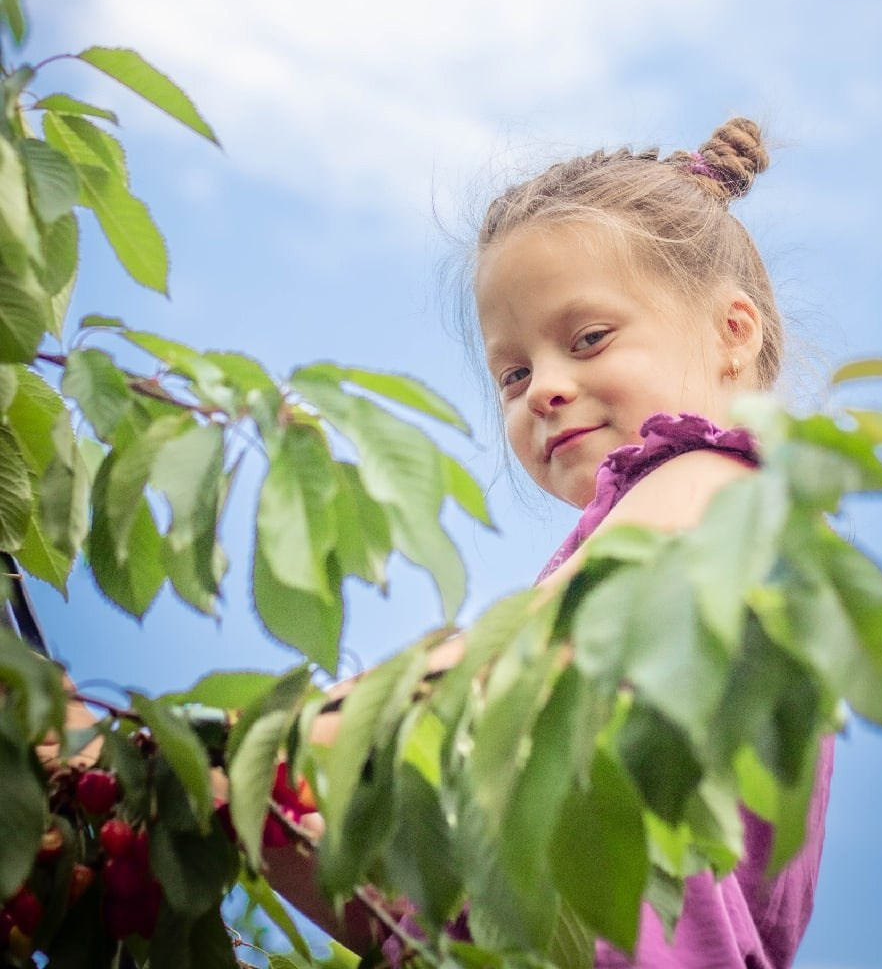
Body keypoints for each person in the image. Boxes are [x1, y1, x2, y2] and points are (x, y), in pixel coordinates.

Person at [270, 115, 833, 969]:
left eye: (588, 339)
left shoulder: (715, 482)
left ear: (734, 330)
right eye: (515, 372)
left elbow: (533, 653)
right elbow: (413, 925)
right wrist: (223, 803)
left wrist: (271, 737)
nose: (545, 390)